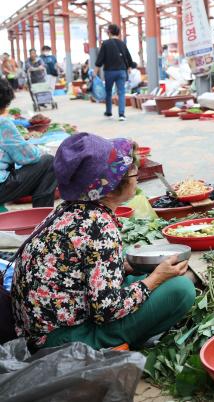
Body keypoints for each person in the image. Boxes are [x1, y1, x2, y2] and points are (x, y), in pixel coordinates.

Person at [10, 132, 195, 350]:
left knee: (142, 274)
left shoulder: (67, 209)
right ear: (113, 186)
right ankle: (117, 344)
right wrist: (155, 279)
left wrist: (124, 267)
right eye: (132, 172)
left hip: (42, 326)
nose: (136, 175)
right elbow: (107, 310)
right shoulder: (99, 225)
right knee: (181, 289)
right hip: (62, 341)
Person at [0, 78, 57, 207]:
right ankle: (42, 219)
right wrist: (37, 149)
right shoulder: (3, 124)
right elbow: (28, 157)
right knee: (48, 162)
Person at [94, 24, 133, 121]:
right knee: (121, 92)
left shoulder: (106, 44)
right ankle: (121, 114)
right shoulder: (122, 43)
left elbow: (100, 59)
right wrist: (129, 67)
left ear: (110, 32)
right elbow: (128, 57)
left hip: (109, 72)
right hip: (121, 71)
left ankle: (109, 112)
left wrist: (95, 71)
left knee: (108, 92)